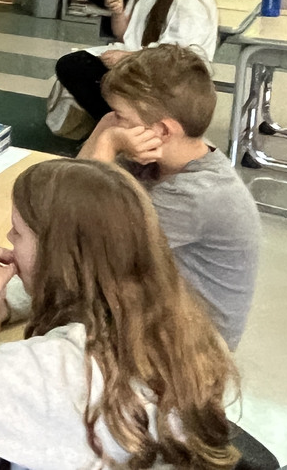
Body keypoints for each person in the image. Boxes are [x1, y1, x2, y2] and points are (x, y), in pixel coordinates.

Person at [0, 159, 239, 470]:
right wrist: (7, 300)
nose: (8, 238)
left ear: (59, 259)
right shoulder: (180, 321)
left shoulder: (61, 369)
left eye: (18, 232)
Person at [79, 44, 261, 350]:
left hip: (190, 351)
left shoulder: (196, 195)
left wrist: (107, 145)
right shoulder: (153, 158)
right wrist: (105, 128)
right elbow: (74, 188)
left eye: (119, 116)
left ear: (162, 130)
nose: (114, 123)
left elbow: (80, 233)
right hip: (154, 308)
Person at [55, 0, 217, 121]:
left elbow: (180, 57)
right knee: (73, 65)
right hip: (144, 58)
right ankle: (121, 123)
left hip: (171, 72)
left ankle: (126, 126)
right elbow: (123, 34)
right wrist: (118, 12)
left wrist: (128, 57)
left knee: (77, 69)